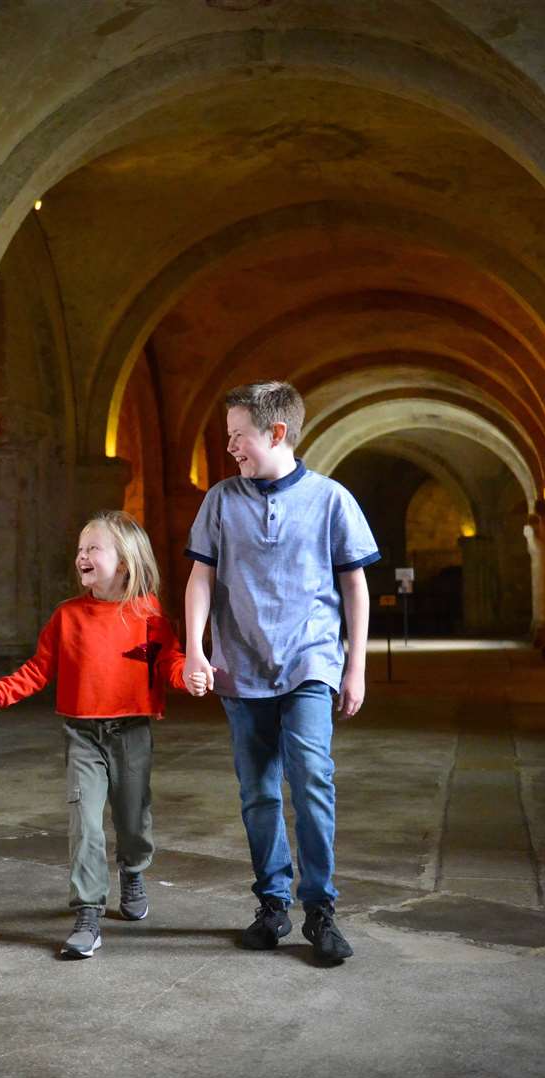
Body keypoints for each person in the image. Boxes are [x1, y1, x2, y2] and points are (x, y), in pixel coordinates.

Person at [182, 381, 378, 966]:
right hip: (238, 666)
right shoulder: (220, 500)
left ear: (276, 433)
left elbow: (354, 585)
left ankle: (320, 908)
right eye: (228, 437)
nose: (231, 448)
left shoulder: (331, 500)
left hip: (310, 661)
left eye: (238, 436)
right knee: (258, 790)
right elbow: (200, 577)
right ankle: (272, 903)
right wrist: (195, 648)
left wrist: (356, 666)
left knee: (312, 779)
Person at [0, 510, 209, 958]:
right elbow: (39, 671)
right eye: (80, 549)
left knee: (133, 820)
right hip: (82, 736)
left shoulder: (150, 615)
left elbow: (171, 663)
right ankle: (89, 912)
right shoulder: (67, 617)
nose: (82, 555)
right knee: (86, 824)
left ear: (126, 561)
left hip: (132, 732)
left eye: (93, 548)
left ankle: (133, 872)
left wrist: (187, 676)